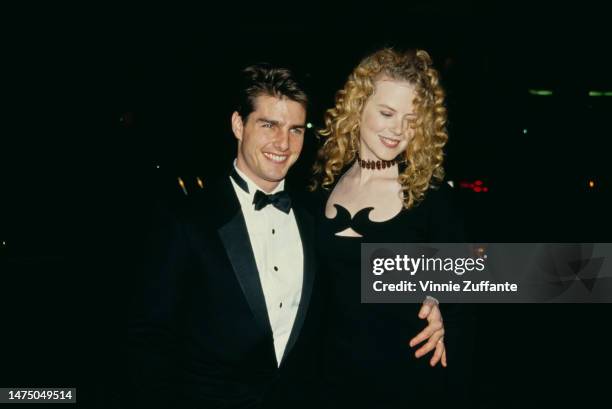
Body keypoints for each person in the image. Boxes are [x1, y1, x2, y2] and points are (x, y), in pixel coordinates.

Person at [126, 62, 448, 409]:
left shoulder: (316, 213)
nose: (283, 142)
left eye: (296, 129)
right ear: (238, 125)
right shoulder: (189, 220)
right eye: (269, 125)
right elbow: (148, 338)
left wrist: (439, 290)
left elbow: (506, 274)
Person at [311, 48, 472, 408]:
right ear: (357, 108)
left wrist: (441, 298)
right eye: (386, 113)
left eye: (411, 119)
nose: (398, 130)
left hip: (408, 384)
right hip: (331, 382)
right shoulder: (321, 186)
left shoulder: (429, 198)